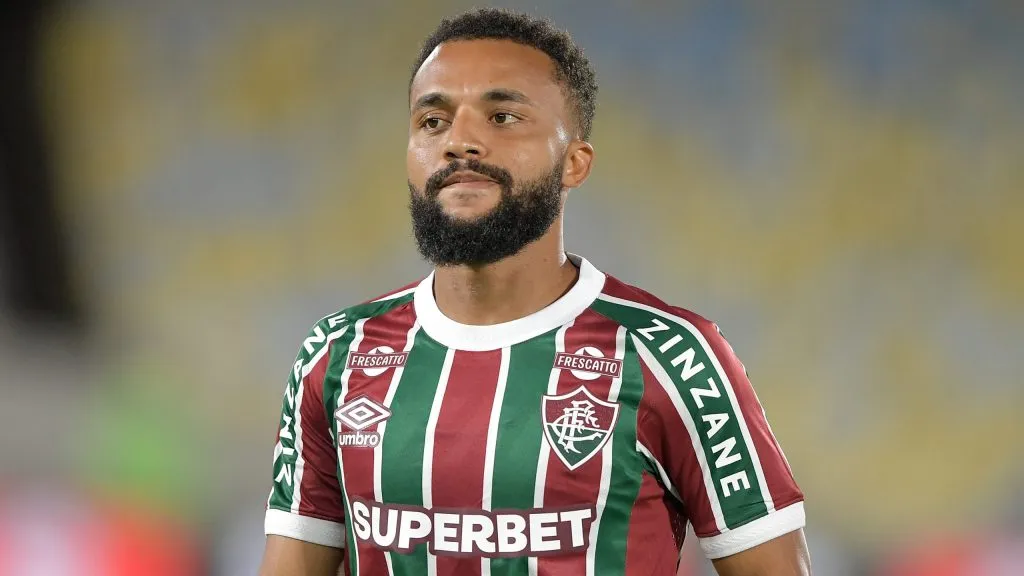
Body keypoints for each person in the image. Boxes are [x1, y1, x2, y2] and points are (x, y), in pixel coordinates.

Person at [259, 8, 810, 576]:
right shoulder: (337, 353)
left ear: (574, 163)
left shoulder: (672, 357)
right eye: (433, 121)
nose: (459, 142)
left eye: (502, 117)